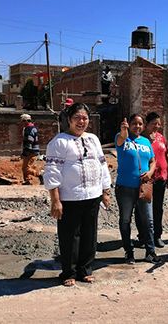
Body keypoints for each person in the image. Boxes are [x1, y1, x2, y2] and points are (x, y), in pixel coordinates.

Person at [43, 103, 112, 286]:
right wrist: (55, 200)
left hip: (92, 196)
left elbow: (102, 165)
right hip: (69, 198)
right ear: (69, 120)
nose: (81, 122)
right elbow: (52, 173)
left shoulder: (93, 140)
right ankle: (69, 273)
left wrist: (105, 191)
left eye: (85, 118)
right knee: (70, 236)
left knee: (90, 235)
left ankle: (85, 270)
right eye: (77, 118)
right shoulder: (59, 142)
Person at [115, 114, 161, 264]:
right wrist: (124, 131)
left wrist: (150, 172)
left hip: (143, 187)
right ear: (128, 124)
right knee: (125, 220)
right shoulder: (122, 138)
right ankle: (129, 252)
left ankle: (150, 251)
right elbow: (121, 138)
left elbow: (153, 161)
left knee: (148, 220)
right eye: (134, 123)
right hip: (125, 188)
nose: (138, 126)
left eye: (140, 124)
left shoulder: (146, 141)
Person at [142, 112, 168, 248]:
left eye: (159, 124)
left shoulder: (161, 138)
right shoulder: (141, 138)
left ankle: (157, 235)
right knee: (143, 208)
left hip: (161, 177)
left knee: (158, 208)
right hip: (147, 178)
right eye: (154, 123)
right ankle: (144, 235)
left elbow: (166, 156)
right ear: (146, 124)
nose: (157, 126)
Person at [20, 113, 40, 185]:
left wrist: (25, 153)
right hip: (34, 151)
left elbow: (29, 141)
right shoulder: (33, 128)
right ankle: (27, 181)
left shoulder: (28, 129)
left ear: (26, 121)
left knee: (26, 168)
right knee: (25, 167)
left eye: (22, 121)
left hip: (31, 151)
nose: (22, 123)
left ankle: (40, 175)